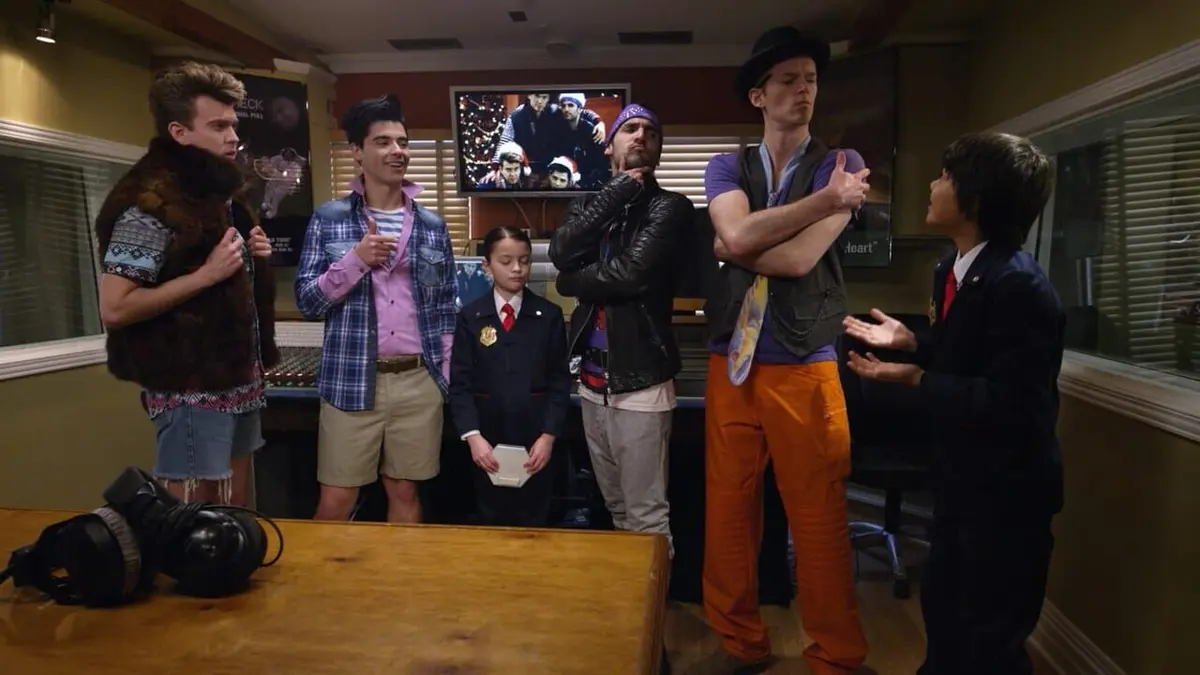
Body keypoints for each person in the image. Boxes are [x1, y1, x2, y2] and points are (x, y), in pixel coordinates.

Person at [843, 131, 1064, 675]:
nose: (933, 184)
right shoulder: (953, 268)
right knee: (944, 612)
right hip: (959, 478)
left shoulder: (1020, 286)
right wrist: (913, 342)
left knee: (989, 638)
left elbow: (1015, 403)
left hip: (1007, 492)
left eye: (945, 177)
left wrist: (918, 378)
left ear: (976, 200)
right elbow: (971, 354)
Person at [700, 26, 872, 674]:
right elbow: (739, 232)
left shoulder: (842, 163)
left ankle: (836, 656)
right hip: (732, 359)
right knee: (728, 510)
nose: (804, 90)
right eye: (789, 80)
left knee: (818, 516)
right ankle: (740, 644)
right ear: (758, 95)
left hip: (804, 362)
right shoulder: (727, 166)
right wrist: (823, 203)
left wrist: (736, 244)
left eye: (812, 80)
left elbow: (797, 259)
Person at [95, 62, 279, 506]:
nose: (232, 137)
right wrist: (205, 275)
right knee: (193, 518)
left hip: (239, 379)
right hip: (188, 387)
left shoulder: (221, 196)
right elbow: (115, 307)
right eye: (218, 126)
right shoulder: (150, 204)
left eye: (233, 124)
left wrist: (254, 257)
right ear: (179, 132)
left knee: (234, 509)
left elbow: (227, 281)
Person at [295, 94, 456, 523]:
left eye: (402, 142)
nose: (397, 151)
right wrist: (355, 261)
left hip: (418, 381)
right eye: (383, 142)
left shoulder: (433, 226)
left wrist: (443, 380)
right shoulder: (329, 219)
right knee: (337, 498)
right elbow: (308, 301)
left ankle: (402, 571)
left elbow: (445, 308)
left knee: (405, 492)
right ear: (357, 151)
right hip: (351, 377)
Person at [548, 103, 693, 554]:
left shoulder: (671, 207)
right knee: (615, 507)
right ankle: (630, 594)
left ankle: (655, 598)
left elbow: (630, 275)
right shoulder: (587, 205)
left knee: (647, 514)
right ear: (609, 146)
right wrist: (615, 193)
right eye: (630, 129)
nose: (641, 136)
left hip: (641, 381)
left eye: (651, 131)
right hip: (593, 384)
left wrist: (571, 282)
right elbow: (561, 252)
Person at [448, 227, 572, 527]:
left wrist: (548, 436)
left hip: (535, 440)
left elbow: (559, 381)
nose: (517, 268)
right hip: (487, 441)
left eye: (524, 260)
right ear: (487, 266)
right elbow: (460, 384)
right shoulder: (471, 317)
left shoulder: (548, 315)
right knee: (491, 520)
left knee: (535, 521)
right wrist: (473, 437)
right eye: (506, 261)